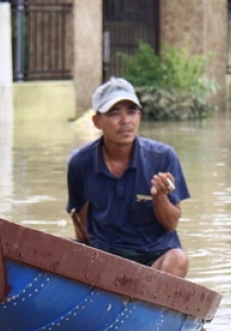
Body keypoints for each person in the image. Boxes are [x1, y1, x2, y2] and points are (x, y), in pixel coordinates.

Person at [66, 78, 190, 278]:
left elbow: (171, 224)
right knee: (62, 251)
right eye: (114, 113)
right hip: (106, 259)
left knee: (178, 259)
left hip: (155, 257)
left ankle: (148, 301)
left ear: (139, 116)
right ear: (97, 121)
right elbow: (80, 220)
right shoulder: (80, 163)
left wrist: (159, 197)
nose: (125, 121)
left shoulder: (163, 157)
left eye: (131, 112)